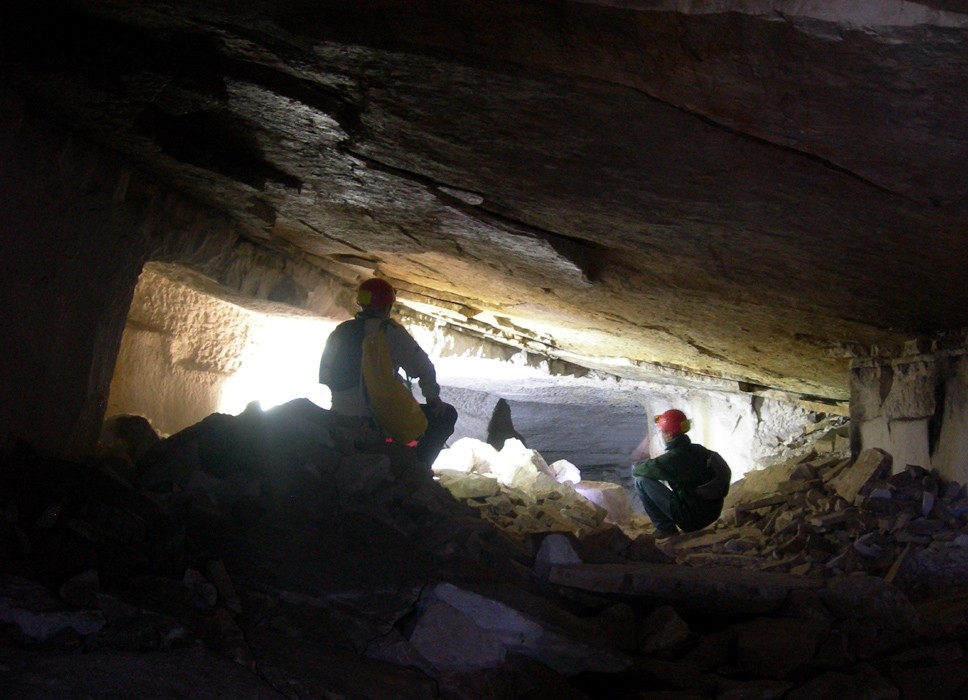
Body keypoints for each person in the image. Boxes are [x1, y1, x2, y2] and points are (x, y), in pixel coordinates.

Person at [318, 278, 457, 467]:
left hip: (340, 416)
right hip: (379, 417)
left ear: (361, 303)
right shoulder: (390, 331)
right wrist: (433, 399)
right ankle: (418, 466)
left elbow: (326, 376)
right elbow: (424, 368)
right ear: (388, 305)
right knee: (446, 415)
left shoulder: (340, 332)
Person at [631, 408, 731, 539]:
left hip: (692, 519)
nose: (662, 434)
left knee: (641, 481)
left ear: (669, 434)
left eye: (662, 431)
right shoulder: (699, 450)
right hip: (712, 512)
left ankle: (665, 528)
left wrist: (638, 464)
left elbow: (640, 470)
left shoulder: (674, 458)